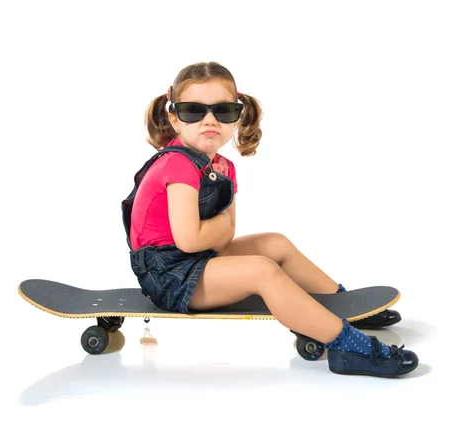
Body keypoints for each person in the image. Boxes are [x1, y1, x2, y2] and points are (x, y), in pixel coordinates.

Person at [124, 61, 418, 377]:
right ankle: (348, 346)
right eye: (194, 111)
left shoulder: (223, 166)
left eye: (222, 111)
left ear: (236, 117)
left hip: (192, 260)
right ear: (174, 119)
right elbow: (192, 239)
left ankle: (341, 305)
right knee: (262, 271)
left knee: (273, 244)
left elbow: (221, 235)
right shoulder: (177, 165)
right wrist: (223, 227)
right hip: (167, 275)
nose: (209, 120)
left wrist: (222, 229)